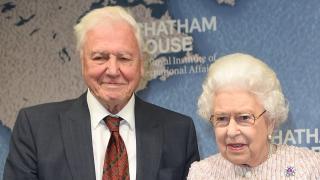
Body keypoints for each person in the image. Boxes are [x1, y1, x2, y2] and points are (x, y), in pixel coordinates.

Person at [4, 6, 199, 180]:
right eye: (100, 57)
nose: (113, 70)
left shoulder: (179, 132)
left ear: (141, 63)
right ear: (83, 62)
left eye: (124, 58)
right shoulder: (36, 128)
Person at [187, 53, 320, 179]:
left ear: (270, 122)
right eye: (222, 119)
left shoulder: (309, 168)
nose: (231, 132)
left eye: (244, 118)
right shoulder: (201, 174)